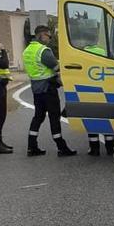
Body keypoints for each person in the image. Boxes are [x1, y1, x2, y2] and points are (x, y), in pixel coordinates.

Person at [23, 25, 76, 157]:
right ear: (42, 35)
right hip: (48, 89)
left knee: (38, 117)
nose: (50, 39)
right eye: (49, 36)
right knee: (54, 117)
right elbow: (56, 67)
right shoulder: (43, 51)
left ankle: (31, 146)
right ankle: (61, 147)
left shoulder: (27, 50)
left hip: (36, 89)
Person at [80, 38, 114, 156]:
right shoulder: (103, 51)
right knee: (107, 120)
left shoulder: (81, 53)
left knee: (92, 122)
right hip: (104, 89)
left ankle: (94, 149)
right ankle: (110, 149)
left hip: (88, 91)